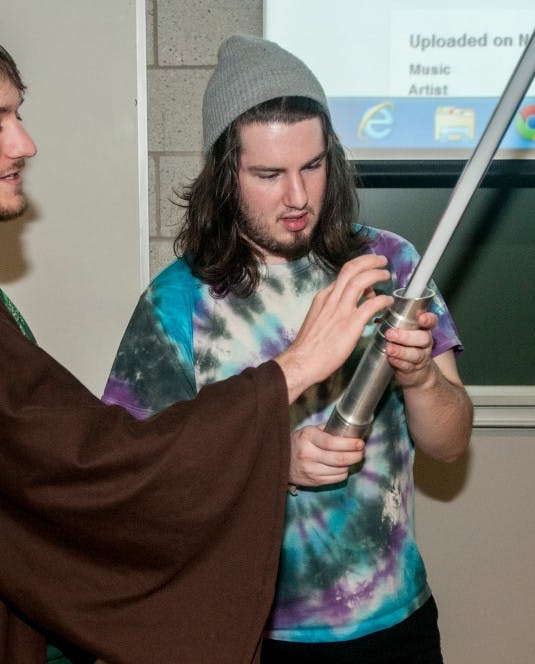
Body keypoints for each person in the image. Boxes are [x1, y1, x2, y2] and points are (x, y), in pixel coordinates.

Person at [0, 13, 396, 664]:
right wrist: (293, 371)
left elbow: (22, 468)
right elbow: (89, 467)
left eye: (17, 117)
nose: (24, 144)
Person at [102, 35, 474, 663]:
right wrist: (270, 462)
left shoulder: (392, 265)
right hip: (252, 634)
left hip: (397, 622)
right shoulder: (176, 304)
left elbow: (450, 441)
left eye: (313, 165)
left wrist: (419, 379)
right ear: (226, 176)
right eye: (269, 175)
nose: (298, 198)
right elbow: (139, 481)